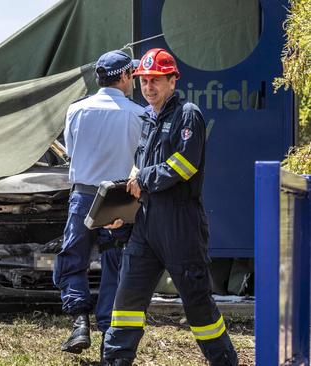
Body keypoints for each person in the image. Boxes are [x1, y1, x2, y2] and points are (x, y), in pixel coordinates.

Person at [102, 48, 239, 366]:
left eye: (156, 81)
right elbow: (139, 171)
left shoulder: (187, 114)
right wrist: (122, 211)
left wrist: (144, 178)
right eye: (144, 81)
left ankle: (224, 361)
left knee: (197, 303)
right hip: (147, 224)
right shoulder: (148, 117)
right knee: (127, 300)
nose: (149, 87)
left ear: (173, 80)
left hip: (181, 225)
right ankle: (114, 360)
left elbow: (183, 166)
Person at [53, 50, 144, 355]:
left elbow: (72, 152)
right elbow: (140, 159)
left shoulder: (76, 110)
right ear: (125, 76)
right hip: (119, 197)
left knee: (72, 259)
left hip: (84, 194)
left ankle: (79, 322)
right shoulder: (137, 114)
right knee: (115, 264)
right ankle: (108, 333)